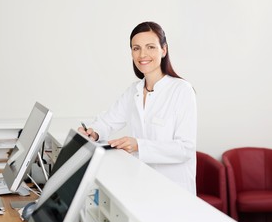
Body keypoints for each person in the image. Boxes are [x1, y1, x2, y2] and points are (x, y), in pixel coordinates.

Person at [78, 21, 197, 194]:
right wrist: (93, 132)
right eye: (136, 48)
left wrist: (139, 146)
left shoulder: (182, 90)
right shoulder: (133, 91)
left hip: (173, 191)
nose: (143, 54)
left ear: (163, 50)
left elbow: (185, 149)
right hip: (140, 184)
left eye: (150, 47)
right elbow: (107, 122)